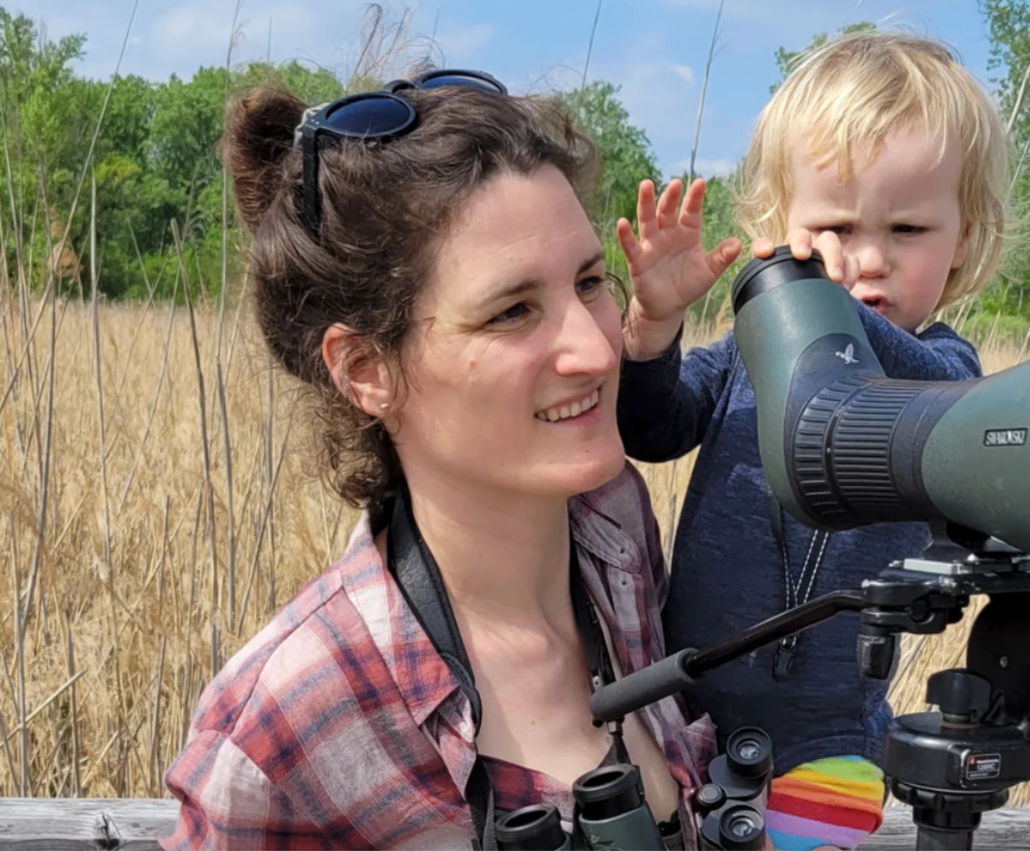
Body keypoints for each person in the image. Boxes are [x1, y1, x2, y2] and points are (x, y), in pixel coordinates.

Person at [162, 70, 717, 849]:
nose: (595, 348)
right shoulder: (286, 726)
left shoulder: (613, 533)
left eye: (590, 282)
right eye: (512, 310)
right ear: (366, 370)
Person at [615, 30, 1011, 851]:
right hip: (680, 709)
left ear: (964, 238)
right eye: (834, 226)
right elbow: (651, 431)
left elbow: (949, 417)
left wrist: (833, 316)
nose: (867, 261)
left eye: (907, 231)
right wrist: (654, 327)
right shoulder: (744, 355)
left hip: (832, 736)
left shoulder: (943, 368)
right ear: (778, 227)